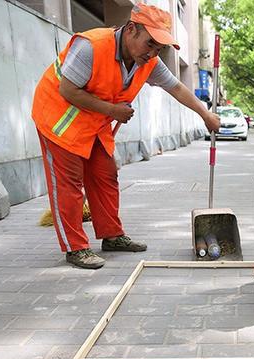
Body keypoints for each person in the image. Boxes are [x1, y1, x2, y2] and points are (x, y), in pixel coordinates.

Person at [32, 3, 220, 269]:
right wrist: (112, 110)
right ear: (131, 29)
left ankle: (112, 235)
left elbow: (176, 87)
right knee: (70, 185)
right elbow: (68, 90)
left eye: (159, 48)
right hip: (59, 120)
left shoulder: (147, 61)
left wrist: (206, 114)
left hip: (93, 124)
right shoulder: (91, 46)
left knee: (105, 175)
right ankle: (76, 248)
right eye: (150, 44)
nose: (153, 53)